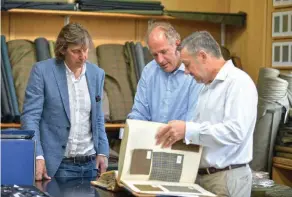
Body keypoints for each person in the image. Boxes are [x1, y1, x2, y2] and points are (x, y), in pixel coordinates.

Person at [155, 31, 258, 197]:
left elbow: (236, 132)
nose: (186, 72)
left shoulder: (239, 82)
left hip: (226, 179)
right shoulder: (206, 88)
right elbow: (203, 132)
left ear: (203, 56)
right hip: (203, 178)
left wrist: (187, 130)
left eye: (187, 65)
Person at [21, 23, 109, 181]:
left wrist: (103, 151)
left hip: (90, 165)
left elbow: (98, 117)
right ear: (62, 50)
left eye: (86, 50)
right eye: (76, 51)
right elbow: (30, 118)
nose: (83, 57)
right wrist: (37, 155)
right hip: (57, 166)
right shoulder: (42, 72)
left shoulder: (97, 74)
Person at [127, 21, 202, 123]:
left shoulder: (195, 73)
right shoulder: (149, 71)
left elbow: (193, 122)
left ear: (177, 44)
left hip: (183, 138)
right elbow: (139, 113)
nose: (160, 60)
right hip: (152, 137)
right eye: (155, 55)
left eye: (163, 52)